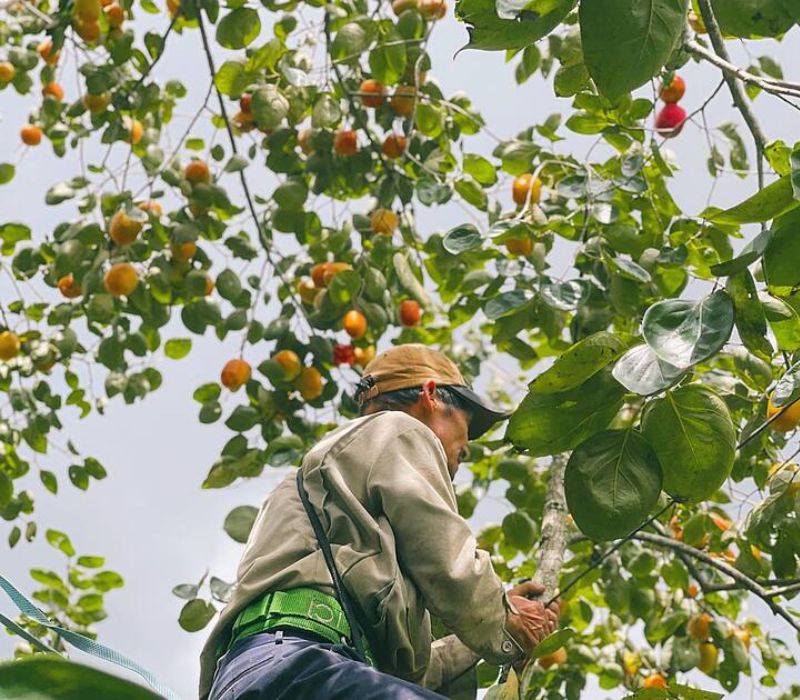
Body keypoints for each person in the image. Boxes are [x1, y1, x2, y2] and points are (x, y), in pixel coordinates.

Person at [199, 343, 561, 700]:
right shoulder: (398, 428)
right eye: (461, 447)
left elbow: (408, 674)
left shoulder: (343, 504)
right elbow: (445, 556)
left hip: (271, 671)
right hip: (296, 663)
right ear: (431, 395)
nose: (454, 466)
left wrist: (494, 626)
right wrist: (505, 618)